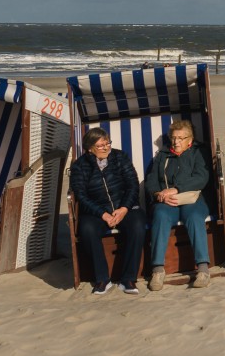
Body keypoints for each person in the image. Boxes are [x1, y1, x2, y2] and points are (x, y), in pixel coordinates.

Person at [69, 127, 147, 295]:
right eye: (101, 145)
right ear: (90, 149)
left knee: (138, 225)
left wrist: (124, 209)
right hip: (97, 211)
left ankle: (128, 278)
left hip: (125, 207)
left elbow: (133, 184)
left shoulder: (120, 157)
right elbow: (81, 196)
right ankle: (102, 278)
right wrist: (102, 214)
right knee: (87, 230)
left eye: (107, 143)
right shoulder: (80, 166)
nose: (106, 148)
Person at [144, 120, 212, 291]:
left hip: (192, 199)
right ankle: (158, 270)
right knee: (160, 215)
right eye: (174, 138)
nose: (176, 142)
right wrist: (158, 194)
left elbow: (201, 177)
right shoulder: (163, 155)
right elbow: (151, 180)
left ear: (190, 139)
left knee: (195, 217)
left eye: (181, 138)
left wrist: (176, 189)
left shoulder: (198, 152)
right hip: (167, 202)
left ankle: (203, 268)